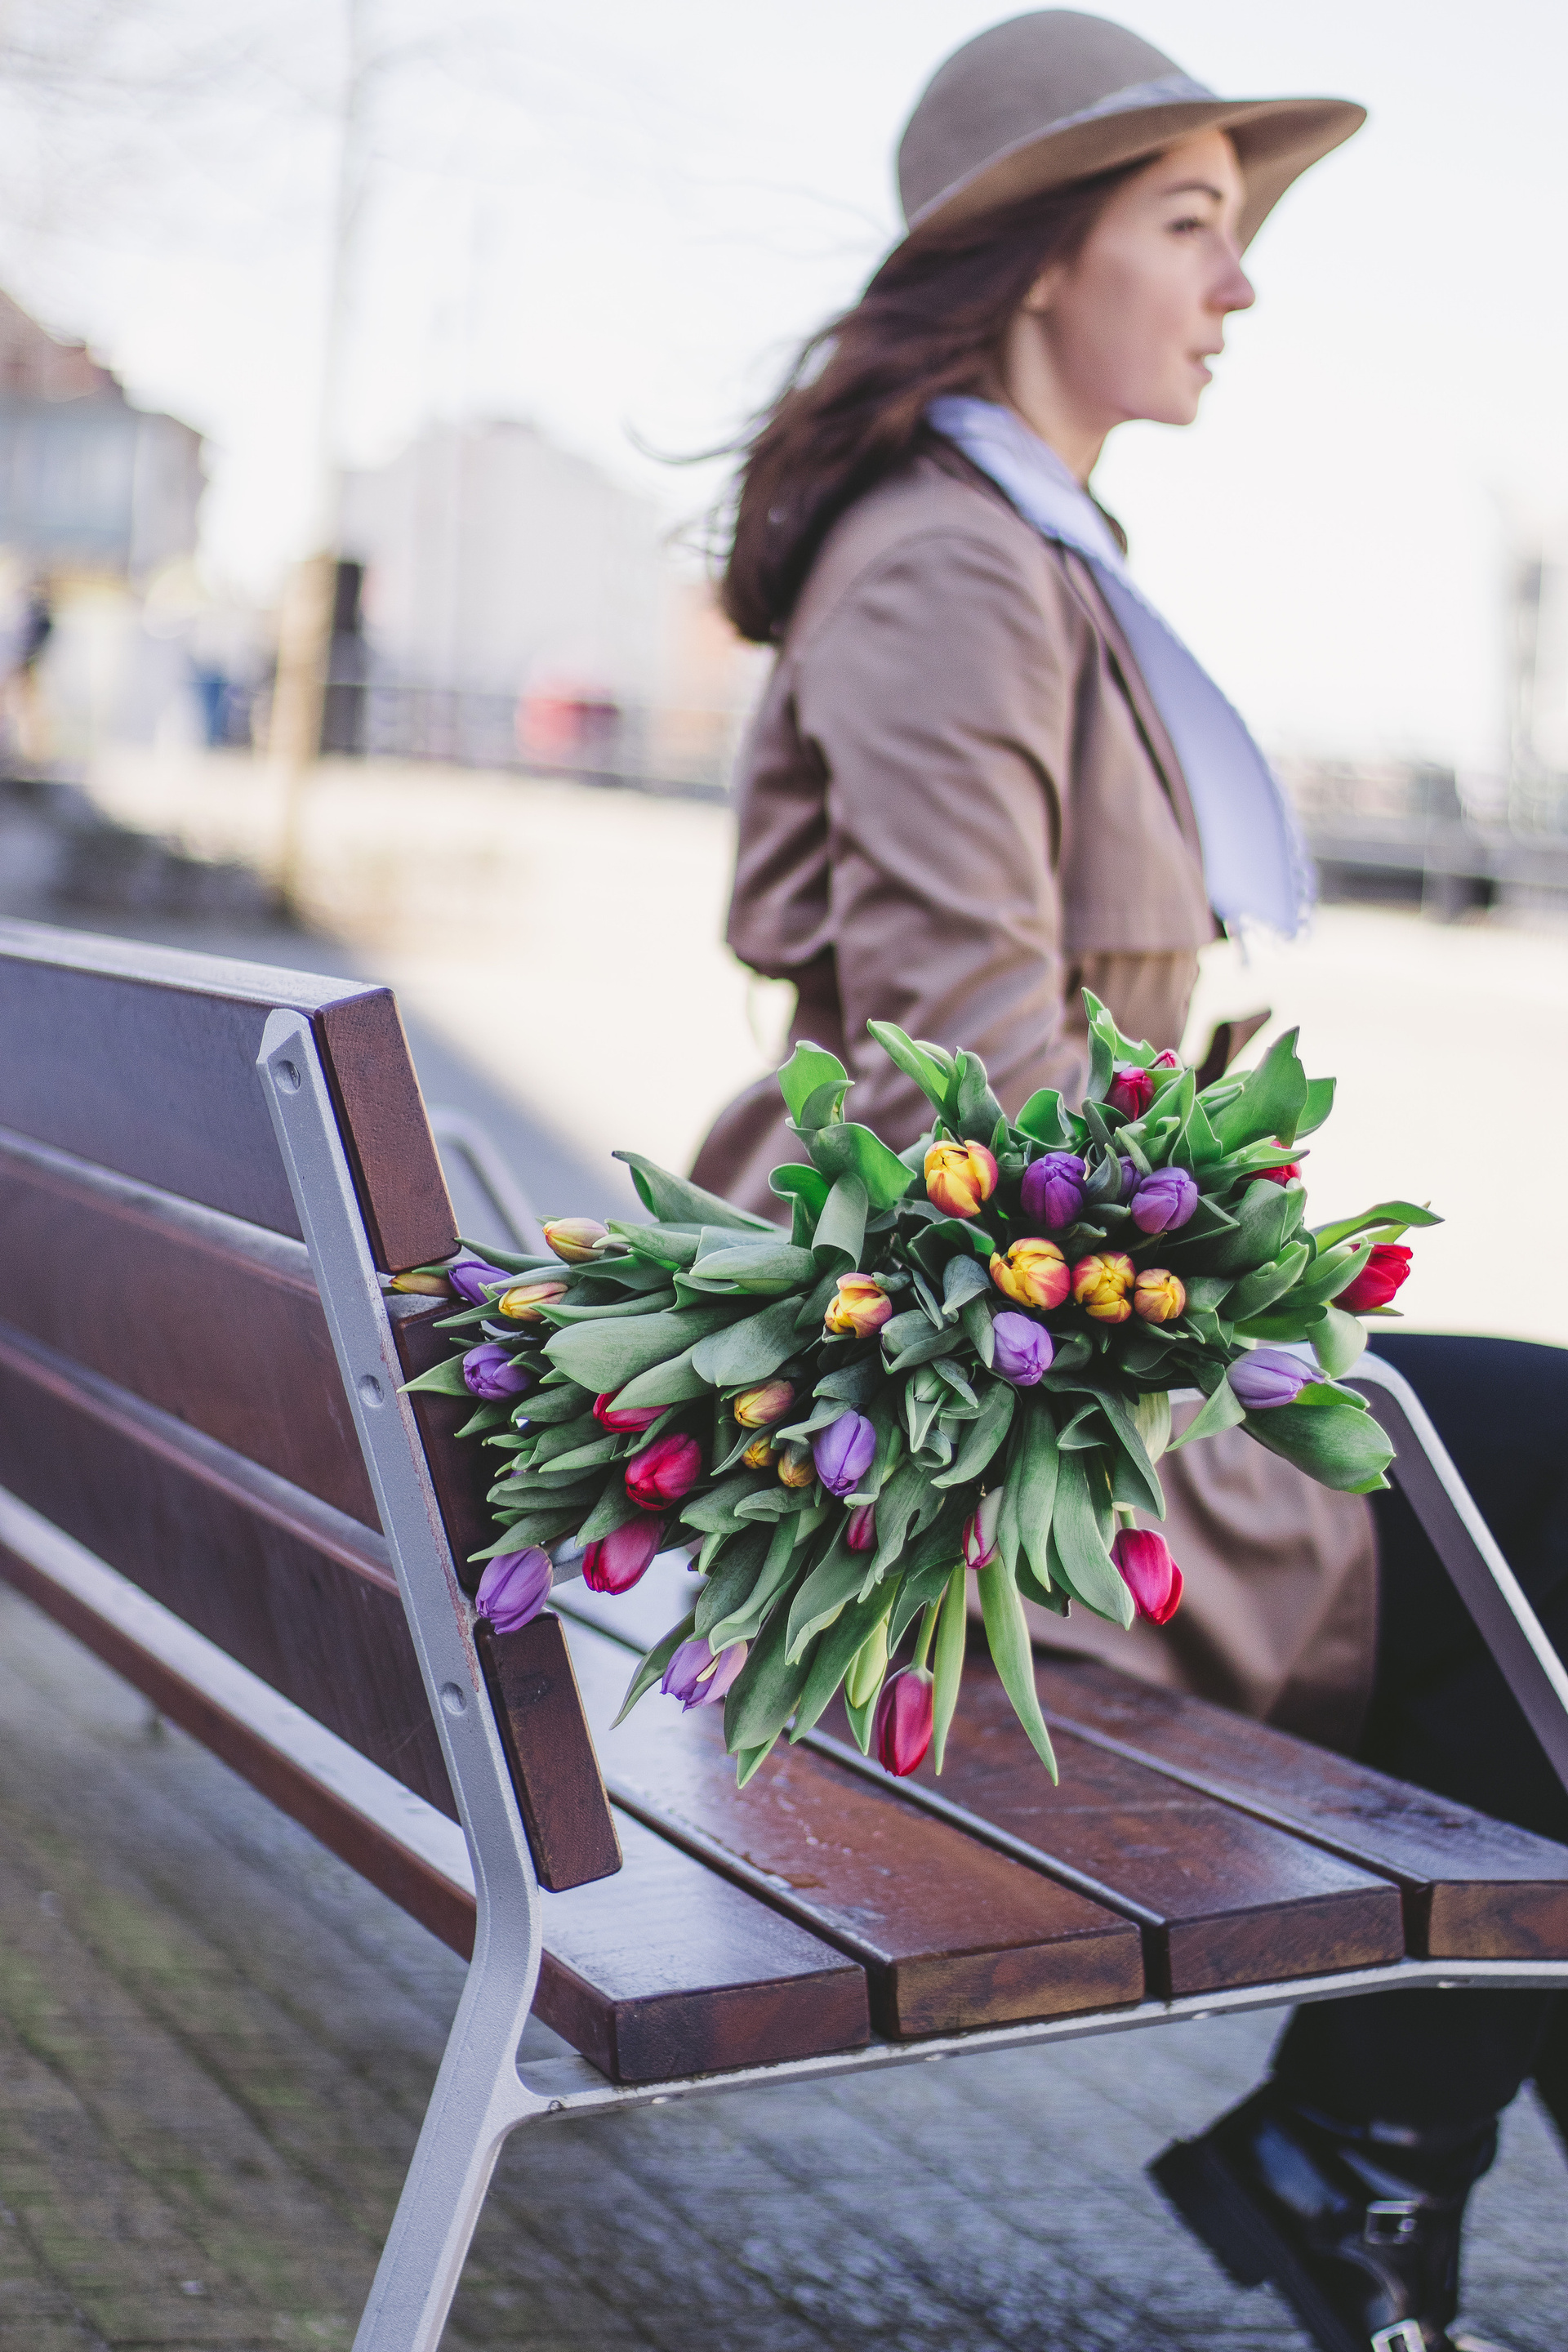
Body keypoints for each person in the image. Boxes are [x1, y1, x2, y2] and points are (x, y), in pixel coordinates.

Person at [692, 15, 1566, 2350]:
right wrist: (1263, 1288)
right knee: (1536, 1523)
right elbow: (972, 1081)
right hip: (962, 1410)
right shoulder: (952, 570)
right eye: (1190, 224)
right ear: (1031, 260)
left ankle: (1368, 2155)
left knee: (1534, 1530)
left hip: (1024, 1329)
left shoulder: (1018, 553)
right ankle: (1360, 2148)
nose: (1240, 282)